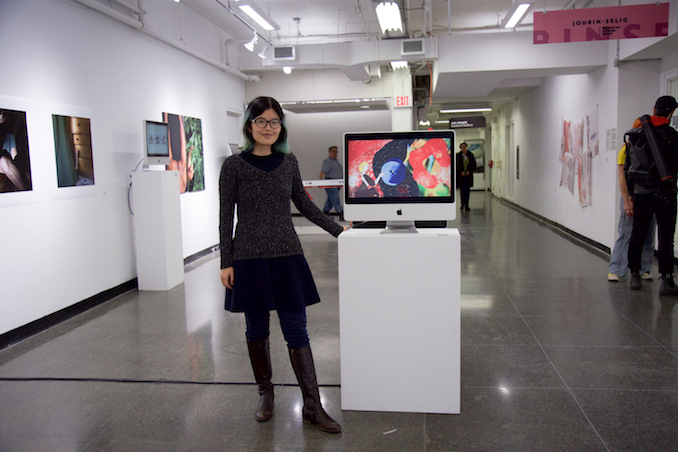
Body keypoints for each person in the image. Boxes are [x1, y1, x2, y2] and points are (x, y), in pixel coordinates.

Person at [219, 96, 347, 433]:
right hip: (248, 257)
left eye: (274, 121)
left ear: (281, 127)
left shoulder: (288, 161)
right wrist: (225, 261)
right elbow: (224, 216)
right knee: (256, 329)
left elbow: (304, 203)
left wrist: (339, 230)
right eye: (261, 121)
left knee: (297, 329)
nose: (268, 127)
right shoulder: (233, 165)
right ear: (249, 125)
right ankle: (265, 393)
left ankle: (312, 405)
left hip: (287, 254)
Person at [627, 96, 678, 294]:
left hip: (641, 192)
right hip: (665, 192)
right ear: (671, 112)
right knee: (666, 236)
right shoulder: (671, 135)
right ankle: (666, 280)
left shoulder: (636, 133)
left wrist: (631, 192)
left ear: (654, 109)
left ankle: (634, 275)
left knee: (638, 233)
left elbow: (628, 166)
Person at [607, 143, 656, 282]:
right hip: (631, 196)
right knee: (626, 232)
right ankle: (616, 269)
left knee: (648, 232)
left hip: (648, 195)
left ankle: (644, 269)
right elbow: (622, 176)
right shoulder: (626, 149)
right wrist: (626, 201)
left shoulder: (653, 148)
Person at [319, 145, 343, 218]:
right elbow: (322, 171)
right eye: (333, 151)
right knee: (335, 197)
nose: (335, 153)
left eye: (336, 152)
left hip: (337, 183)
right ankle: (341, 212)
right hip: (330, 182)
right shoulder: (327, 161)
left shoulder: (336, 162)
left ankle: (325, 212)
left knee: (331, 199)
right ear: (329, 152)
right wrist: (320, 182)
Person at [456, 142, 476, 211]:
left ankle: (467, 205)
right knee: (462, 191)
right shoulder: (458, 156)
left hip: (468, 176)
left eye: (464, 147)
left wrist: (469, 171)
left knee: (467, 191)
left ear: (466, 147)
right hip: (461, 177)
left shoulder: (470, 155)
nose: (463, 148)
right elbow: (456, 166)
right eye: (462, 147)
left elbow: (473, 165)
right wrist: (461, 171)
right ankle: (462, 204)